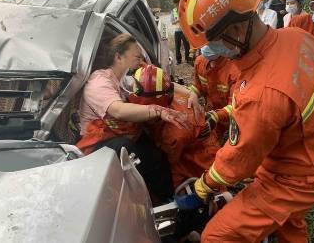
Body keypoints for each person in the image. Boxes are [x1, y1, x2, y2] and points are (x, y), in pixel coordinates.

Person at [178, 0, 314, 242]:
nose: (209, 50)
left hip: (291, 181)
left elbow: (238, 160)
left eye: (213, 41)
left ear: (237, 29)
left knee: (216, 236)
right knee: (289, 224)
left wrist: (204, 186)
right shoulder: (297, 37)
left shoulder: (262, 93)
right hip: (313, 156)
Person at [76, 33, 188, 203]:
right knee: (128, 150)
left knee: (156, 151)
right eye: (136, 56)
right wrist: (158, 110)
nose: (141, 60)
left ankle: (169, 199)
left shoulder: (123, 78)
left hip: (120, 133)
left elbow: (163, 85)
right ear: (119, 57)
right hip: (98, 142)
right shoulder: (99, 82)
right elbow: (118, 110)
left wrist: (189, 93)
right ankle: (151, 204)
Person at [127, 64, 222, 187]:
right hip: (195, 137)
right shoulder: (164, 92)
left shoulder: (174, 133)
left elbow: (171, 159)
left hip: (200, 155)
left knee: (174, 184)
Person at [189, 45, 238, 142]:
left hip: (231, 121)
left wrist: (217, 116)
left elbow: (235, 105)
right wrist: (193, 95)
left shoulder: (234, 69)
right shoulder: (200, 62)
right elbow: (198, 85)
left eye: (210, 43)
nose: (206, 46)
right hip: (210, 116)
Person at [172, 0, 191, 65]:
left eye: (178, 3)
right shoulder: (173, 11)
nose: (177, 5)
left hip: (184, 31)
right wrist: (177, 20)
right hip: (177, 31)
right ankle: (178, 60)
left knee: (186, 46)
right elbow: (172, 22)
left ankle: (188, 59)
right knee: (177, 46)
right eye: (176, 4)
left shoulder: (184, 10)